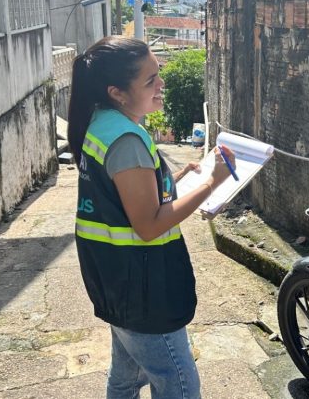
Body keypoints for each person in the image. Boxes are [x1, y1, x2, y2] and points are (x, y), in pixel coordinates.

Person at [67, 35, 234, 399]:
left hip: (115, 280)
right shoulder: (127, 140)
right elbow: (148, 225)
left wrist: (177, 177)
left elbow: (123, 198)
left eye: (158, 74)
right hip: (143, 287)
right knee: (180, 382)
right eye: (150, 80)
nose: (161, 85)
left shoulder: (102, 122)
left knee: (126, 377)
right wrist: (212, 183)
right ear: (118, 92)